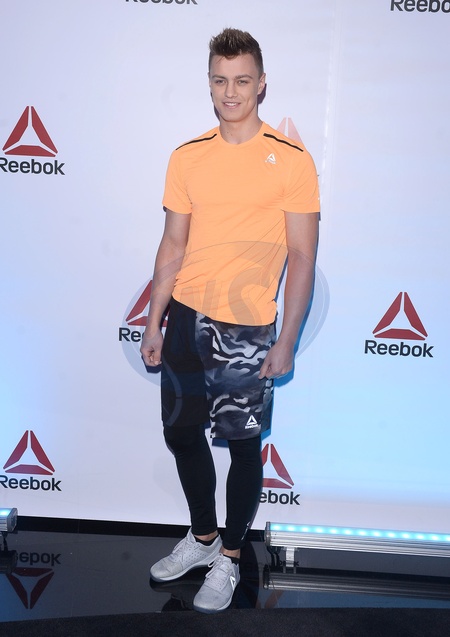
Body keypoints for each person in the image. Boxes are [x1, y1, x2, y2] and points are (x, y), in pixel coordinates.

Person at [140, 27, 320, 614]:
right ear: (210, 83)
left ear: (261, 84)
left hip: (246, 328)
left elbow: (302, 257)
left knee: (243, 446)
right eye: (220, 80)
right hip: (186, 320)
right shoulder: (187, 156)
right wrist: (154, 321)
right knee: (180, 434)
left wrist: (287, 338)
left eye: (242, 80)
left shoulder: (291, 160)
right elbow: (172, 243)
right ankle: (202, 539)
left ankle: (232, 556)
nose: (231, 92)